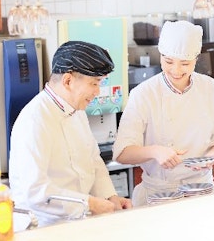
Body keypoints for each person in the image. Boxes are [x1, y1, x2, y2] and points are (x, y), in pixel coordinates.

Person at [9, 40, 132, 226]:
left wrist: (110, 197)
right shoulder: (34, 120)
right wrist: (90, 204)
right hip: (42, 228)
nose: (97, 92)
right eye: (94, 83)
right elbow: (35, 191)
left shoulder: (77, 110)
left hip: (78, 223)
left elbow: (93, 161)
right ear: (68, 80)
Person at [113, 20, 214, 206]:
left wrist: (210, 158)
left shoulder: (213, 89)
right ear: (160, 56)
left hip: (202, 192)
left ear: (196, 59)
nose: (176, 70)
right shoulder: (144, 94)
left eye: (185, 64)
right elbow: (122, 153)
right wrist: (155, 152)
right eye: (168, 61)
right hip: (159, 196)